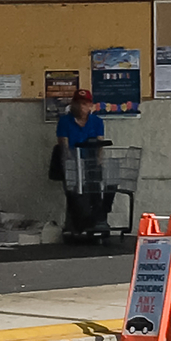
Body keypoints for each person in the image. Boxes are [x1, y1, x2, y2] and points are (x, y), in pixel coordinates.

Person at [54, 86, 109, 242]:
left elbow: (99, 144)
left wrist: (98, 163)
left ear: (90, 105)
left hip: (90, 164)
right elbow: (63, 145)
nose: (82, 107)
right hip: (73, 164)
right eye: (78, 103)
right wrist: (70, 164)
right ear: (73, 104)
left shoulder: (97, 122)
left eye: (85, 103)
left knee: (94, 193)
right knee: (74, 195)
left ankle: (95, 223)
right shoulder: (65, 122)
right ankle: (75, 227)